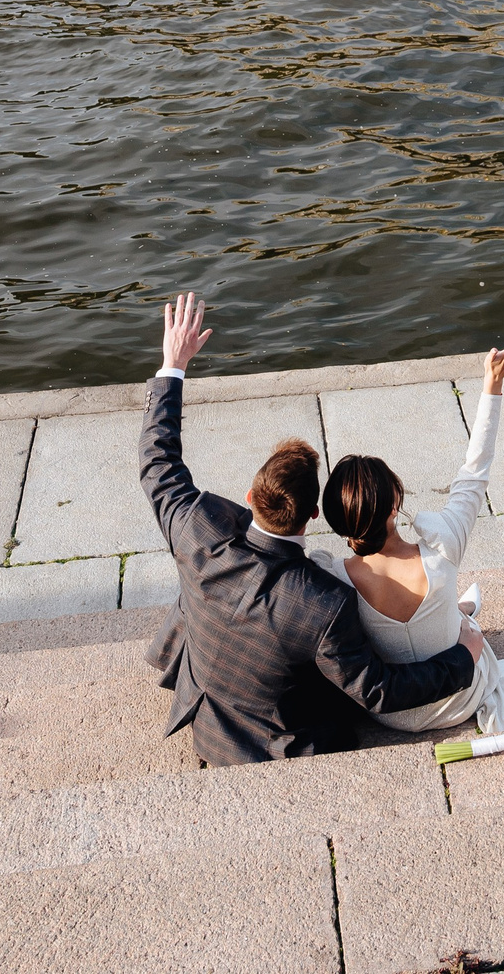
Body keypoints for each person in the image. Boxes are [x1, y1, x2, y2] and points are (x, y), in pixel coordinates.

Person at [141, 293, 478, 766]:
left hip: (202, 705)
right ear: (314, 517)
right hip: (268, 747)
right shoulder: (323, 603)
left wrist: (173, 365)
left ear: (250, 498)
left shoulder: (197, 529)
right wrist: (463, 657)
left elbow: (158, 462)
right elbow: (379, 692)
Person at [313, 345, 504, 730]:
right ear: (395, 504)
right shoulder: (443, 544)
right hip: (464, 698)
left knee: (446, 610)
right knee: (464, 625)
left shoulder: (330, 578)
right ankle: (461, 616)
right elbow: (474, 471)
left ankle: (458, 611)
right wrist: (492, 383)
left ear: (335, 520)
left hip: (391, 714)